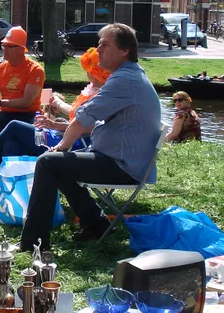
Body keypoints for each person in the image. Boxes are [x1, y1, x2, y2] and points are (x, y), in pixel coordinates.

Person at [19, 24, 161, 250]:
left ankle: (33, 241)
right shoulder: (130, 76)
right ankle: (95, 223)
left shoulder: (124, 80)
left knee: (48, 162)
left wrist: (63, 146)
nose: (98, 50)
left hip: (123, 166)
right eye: (98, 44)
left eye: (105, 45)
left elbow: (83, 117)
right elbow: (89, 120)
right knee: (60, 164)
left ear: (124, 51)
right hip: (121, 159)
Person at [0, 47, 110, 174]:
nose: (86, 72)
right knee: (11, 144)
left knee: (14, 126)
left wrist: (55, 124)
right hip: (63, 136)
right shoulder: (91, 91)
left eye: (88, 69)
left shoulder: (100, 96)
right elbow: (78, 121)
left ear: (94, 72)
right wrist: (53, 122)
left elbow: (89, 127)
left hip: (74, 144)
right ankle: (3, 184)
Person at [0, 27, 45, 160]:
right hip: (6, 113)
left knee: (12, 142)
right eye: (4, 45)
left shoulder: (35, 70)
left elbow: (26, 102)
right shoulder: (0, 69)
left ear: (21, 49)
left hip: (29, 115)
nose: (5, 49)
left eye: (10, 46)